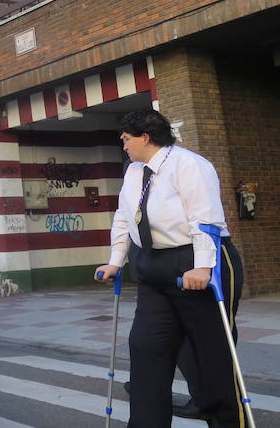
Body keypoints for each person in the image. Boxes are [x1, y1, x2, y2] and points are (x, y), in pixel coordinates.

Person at [95, 108, 245, 427]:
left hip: (197, 260)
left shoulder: (188, 164)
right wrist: (115, 260)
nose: (123, 145)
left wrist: (203, 267)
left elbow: (206, 219)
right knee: (146, 349)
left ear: (145, 138)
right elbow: (124, 217)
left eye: (126, 139)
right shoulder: (134, 171)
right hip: (153, 265)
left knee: (211, 358)